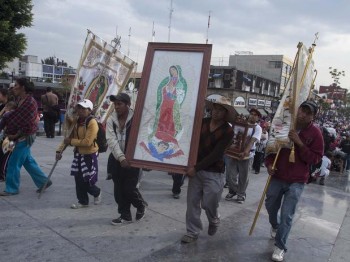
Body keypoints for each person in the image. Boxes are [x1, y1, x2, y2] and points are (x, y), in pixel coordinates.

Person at [264, 100, 323, 261]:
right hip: (278, 175)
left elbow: (316, 159)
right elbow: (271, 148)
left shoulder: (315, 133)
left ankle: (280, 246)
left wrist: (299, 143)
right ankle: (275, 226)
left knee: (287, 215)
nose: (303, 114)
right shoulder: (284, 126)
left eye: (308, 112)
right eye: (301, 110)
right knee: (270, 204)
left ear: (313, 116)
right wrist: (269, 164)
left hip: (297, 180)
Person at [181, 95, 234, 244]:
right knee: (192, 202)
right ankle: (192, 231)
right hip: (195, 169)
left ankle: (214, 219)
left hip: (214, 171)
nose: (216, 112)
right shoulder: (202, 123)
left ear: (226, 113)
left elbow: (216, 154)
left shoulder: (228, 131)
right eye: (215, 109)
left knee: (208, 203)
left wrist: (196, 168)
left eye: (220, 110)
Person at [0, 78, 52, 196]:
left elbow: (27, 122)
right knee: (28, 161)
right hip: (20, 135)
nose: (14, 87)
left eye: (16, 85)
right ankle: (44, 182)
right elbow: (15, 116)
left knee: (14, 162)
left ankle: (11, 189)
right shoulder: (20, 99)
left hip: (25, 136)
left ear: (23, 87)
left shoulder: (30, 102)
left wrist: (15, 135)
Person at [106, 93, 147, 225]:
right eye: (115, 104)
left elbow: (143, 138)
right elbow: (111, 140)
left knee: (129, 189)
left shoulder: (137, 119)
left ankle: (140, 205)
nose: (116, 107)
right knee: (118, 191)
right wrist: (121, 157)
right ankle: (125, 215)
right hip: (116, 159)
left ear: (128, 105)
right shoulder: (111, 120)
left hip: (133, 160)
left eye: (119, 104)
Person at [56, 99, 102, 208]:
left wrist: (71, 142)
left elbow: (87, 142)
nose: (80, 110)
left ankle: (96, 192)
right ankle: (83, 201)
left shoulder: (92, 122)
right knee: (78, 178)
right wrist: (59, 150)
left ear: (89, 110)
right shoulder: (76, 121)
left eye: (83, 108)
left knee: (86, 179)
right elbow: (68, 138)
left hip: (89, 154)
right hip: (78, 154)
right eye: (79, 108)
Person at [225, 108, 262, 203]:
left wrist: (245, 152)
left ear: (258, 118)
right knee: (230, 175)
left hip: (248, 155)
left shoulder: (257, 128)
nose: (253, 116)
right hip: (234, 153)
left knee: (243, 176)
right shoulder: (240, 124)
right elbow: (233, 135)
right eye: (251, 114)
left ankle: (240, 194)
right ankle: (234, 191)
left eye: (255, 115)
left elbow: (252, 141)